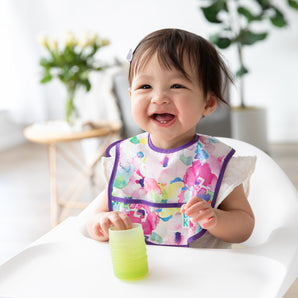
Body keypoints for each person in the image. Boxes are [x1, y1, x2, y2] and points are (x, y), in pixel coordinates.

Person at [87, 28, 255, 248]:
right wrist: (102, 223)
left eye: (177, 85)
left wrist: (215, 218)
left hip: (204, 274)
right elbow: (94, 216)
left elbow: (244, 226)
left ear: (208, 103)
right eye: (145, 86)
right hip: (143, 273)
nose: (159, 98)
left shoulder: (215, 161)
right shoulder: (127, 158)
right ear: (131, 96)